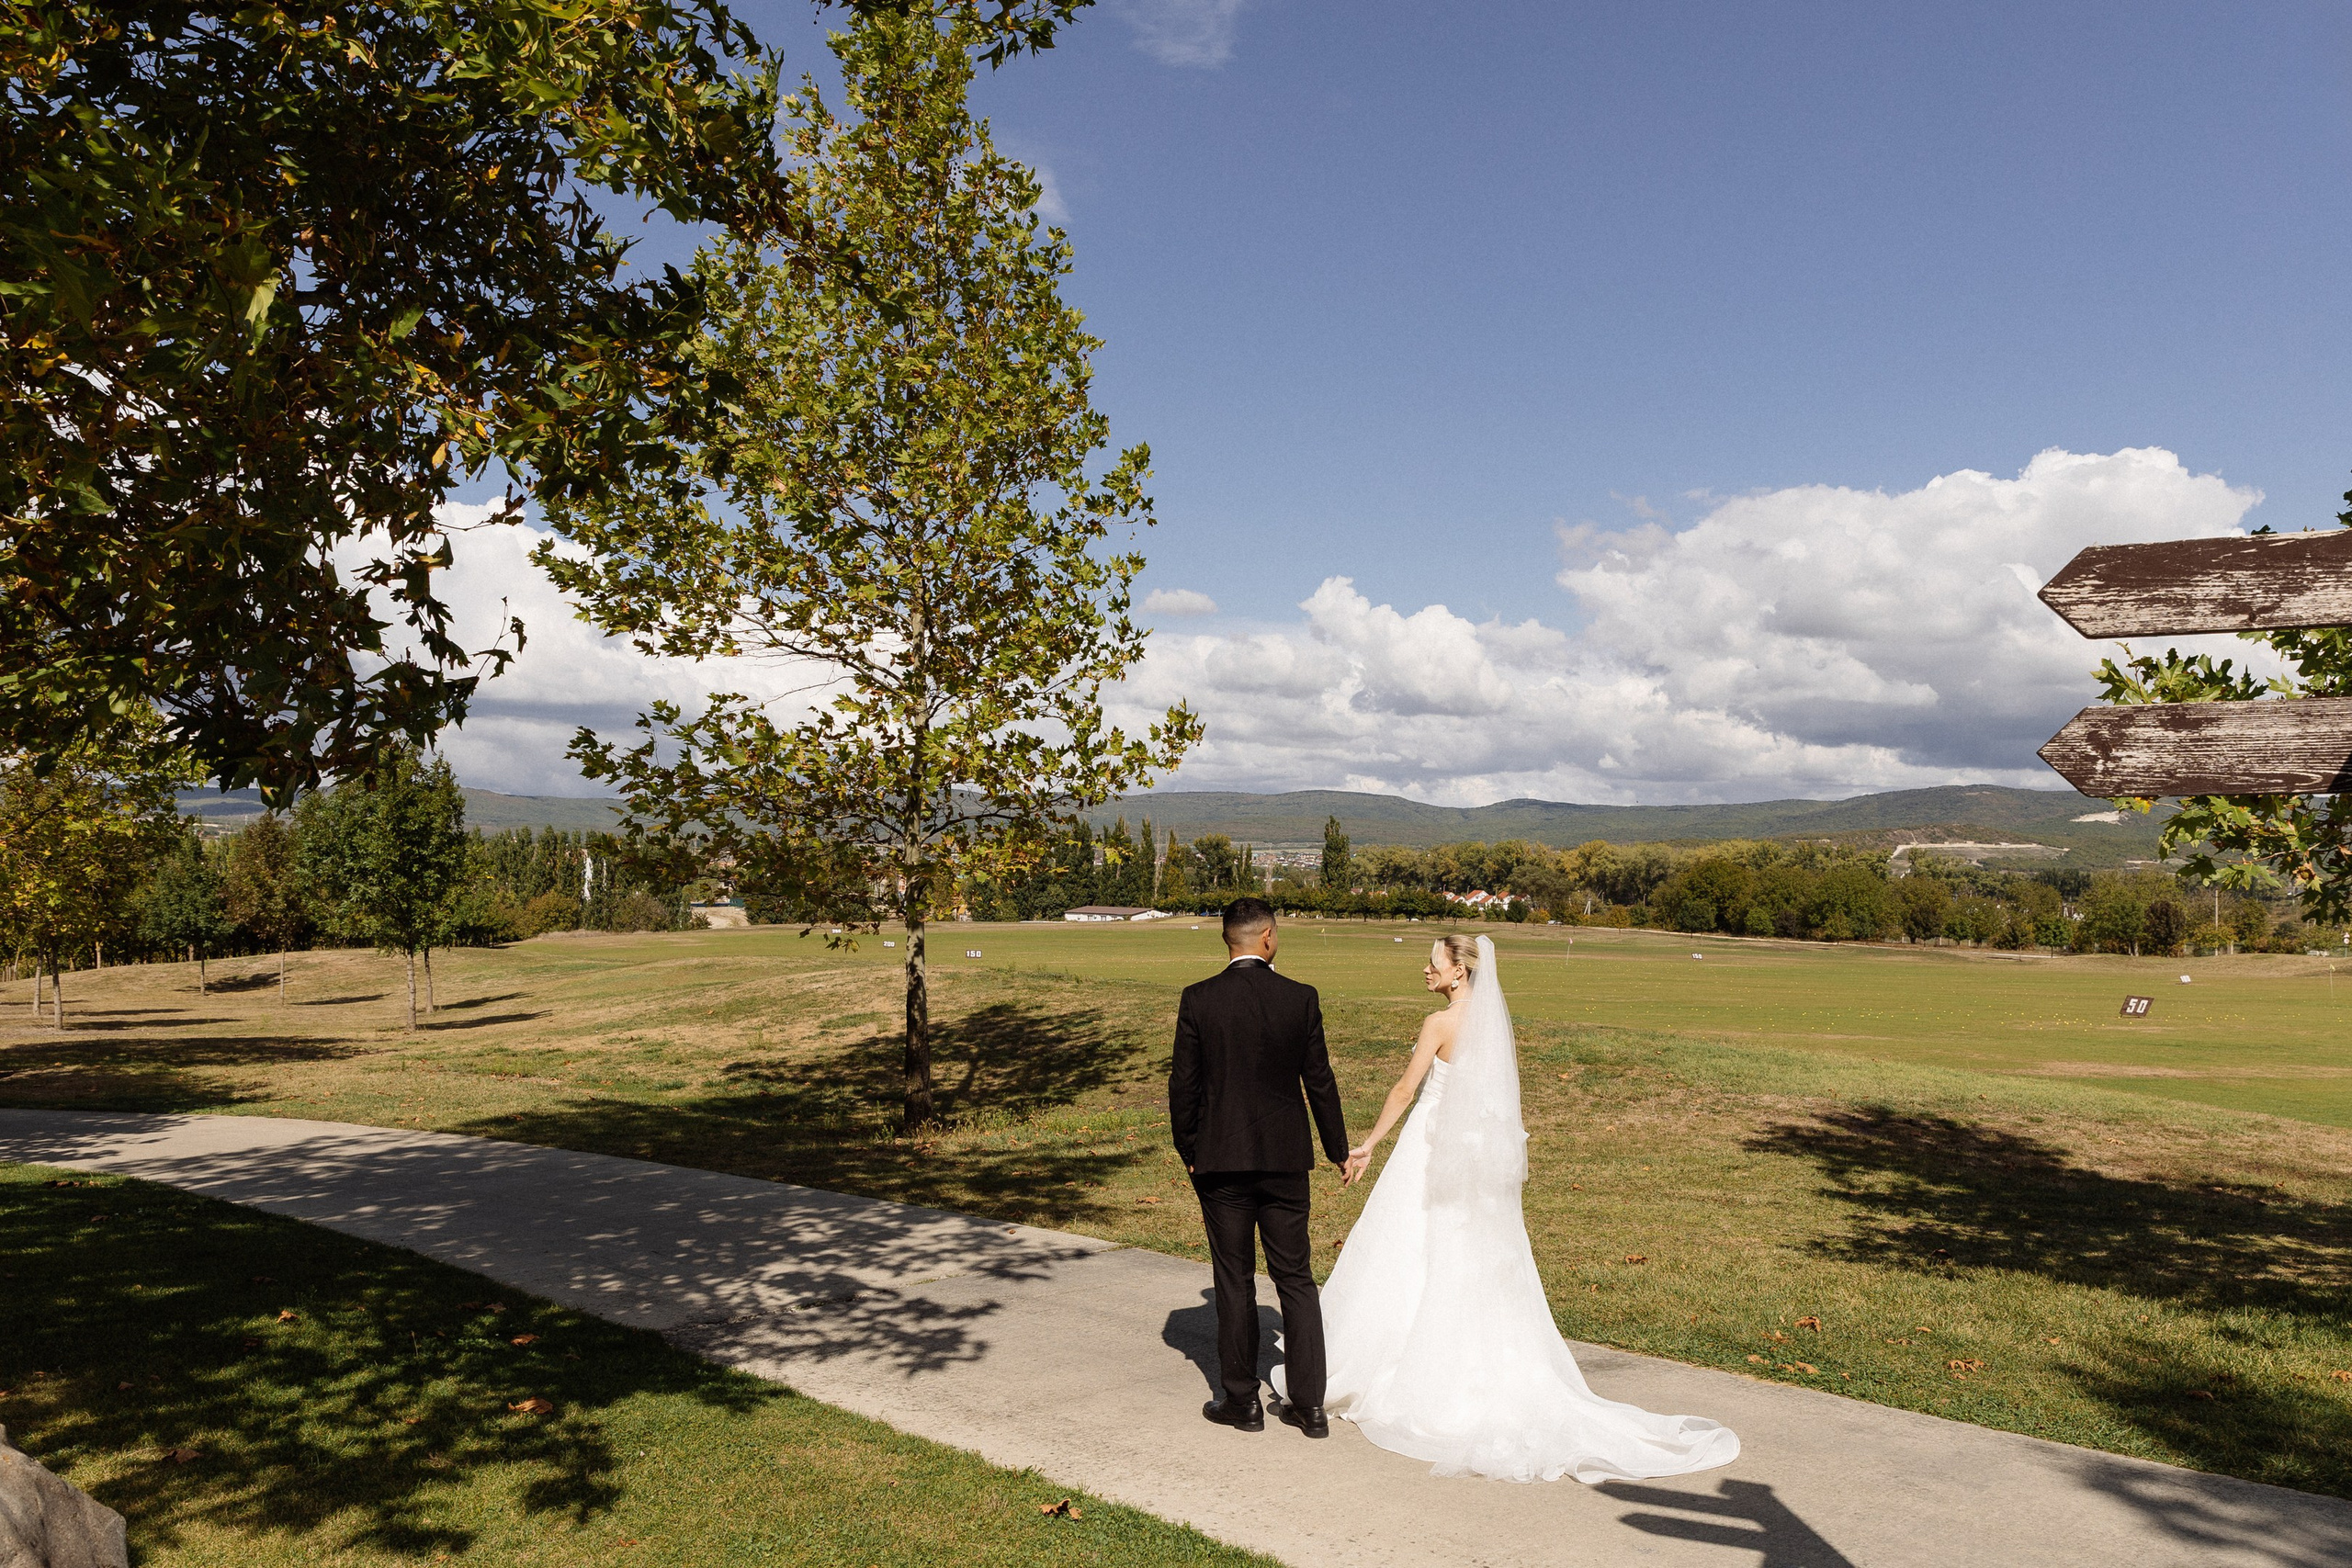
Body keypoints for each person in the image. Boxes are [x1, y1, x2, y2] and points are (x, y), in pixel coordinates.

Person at [1300, 932, 1740, 1483]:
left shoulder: (1439, 1025)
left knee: (1407, 1248)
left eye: (1433, 963)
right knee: (1470, 1257)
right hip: (1475, 1163)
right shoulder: (1494, 1030)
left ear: (1460, 972)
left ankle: (1394, 1368)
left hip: (1431, 1152)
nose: (1425, 971)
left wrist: (1367, 1143)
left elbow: (1405, 1090)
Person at [1168, 897, 1352, 1438]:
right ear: (1267, 937)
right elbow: (1319, 1081)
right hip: (1285, 1160)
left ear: (1230, 940)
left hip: (1220, 1162)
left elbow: (1185, 1086)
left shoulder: (1199, 999)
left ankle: (1241, 1401)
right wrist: (1338, 1149)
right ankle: (1310, 1405)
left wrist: (1191, 1151)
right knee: (1296, 1278)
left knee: (1233, 1279)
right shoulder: (1300, 998)